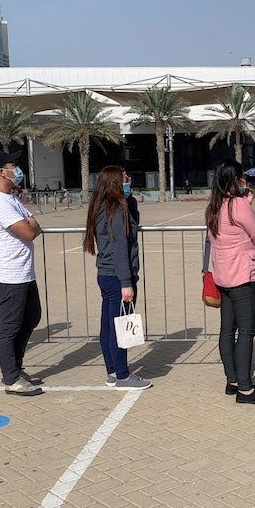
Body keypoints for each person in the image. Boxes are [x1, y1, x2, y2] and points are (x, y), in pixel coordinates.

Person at [205, 159, 255, 404]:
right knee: (246, 331)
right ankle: (245, 388)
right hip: (242, 275)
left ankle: (232, 380)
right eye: (241, 177)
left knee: (227, 330)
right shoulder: (238, 205)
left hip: (223, 276)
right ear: (236, 180)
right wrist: (247, 204)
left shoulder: (215, 206)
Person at [0, 150, 45, 396]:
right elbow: (30, 231)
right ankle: (11, 377)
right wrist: (30, 225)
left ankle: (15, 368)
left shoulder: (12, 198)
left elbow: (34, 224)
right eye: (13, 164)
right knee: (9, 327)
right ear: (1, 171)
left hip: (24, 273)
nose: (17, 169)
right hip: (9, 275)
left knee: (31, 318)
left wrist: (30, 224)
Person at [84, 167, 151, 390]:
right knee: (119, 328)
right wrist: (126, 283)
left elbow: (133, 222)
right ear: (114, 182)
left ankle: (112, 371)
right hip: (117, 276)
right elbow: (121, 247)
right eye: (124, 178)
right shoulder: (115, 210)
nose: (128, 180)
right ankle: (122, 375)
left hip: (105, 273)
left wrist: (129, 195)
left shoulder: (102, 206)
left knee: (107, 325)